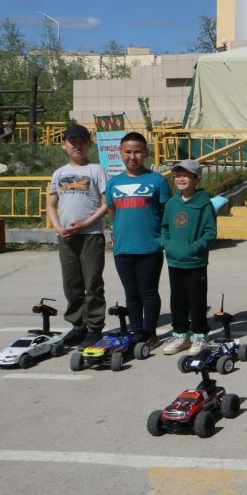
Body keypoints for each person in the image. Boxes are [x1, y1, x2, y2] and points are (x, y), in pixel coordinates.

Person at [46, 124, 109, 346]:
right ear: (64, 145)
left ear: (89, 145)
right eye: (72, 142)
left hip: (90, 234)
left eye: (82, 142)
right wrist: (58, 228)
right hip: (66, 238)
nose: (77, 146)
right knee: (71, 283)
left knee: (92, 283)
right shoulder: (59, 173)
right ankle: (78, 325)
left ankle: (94, 327)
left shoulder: (96, 170)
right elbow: (52, 205)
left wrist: (86, 223)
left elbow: (106, 203)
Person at [105, 131, 168, 348]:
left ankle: (150, 333)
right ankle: (137, 331)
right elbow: (114, 212)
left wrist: (161, 239)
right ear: (120, 153)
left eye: (138, 152)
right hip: (123, 248)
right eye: (128, 152)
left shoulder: (157, 180)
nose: (133, 157)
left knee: (148, 292)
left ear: (146, 153)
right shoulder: (113, 183)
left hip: (150, 247)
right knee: (131, 293)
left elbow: (164, 212)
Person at [159, 160, 218, 354]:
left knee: (197, 299)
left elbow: (210, 232)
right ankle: (180, 335)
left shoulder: (204, 204)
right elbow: (165, 227)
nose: (180, 178)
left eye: (186, 175)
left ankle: (200, 336)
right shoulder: (171, 203)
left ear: (197, 179)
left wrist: (194, 248)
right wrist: (167, 244)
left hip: (195, 261)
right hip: (175, 260)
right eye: (177, 175)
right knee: (178, 299)